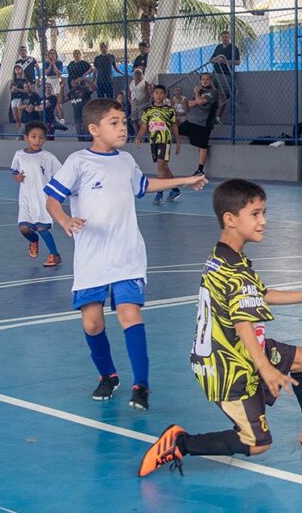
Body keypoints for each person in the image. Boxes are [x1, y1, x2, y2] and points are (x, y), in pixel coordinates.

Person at [137, 179, 302, 477]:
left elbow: (260, 294)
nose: (263, 221)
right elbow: (243, 324)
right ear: (230, 219)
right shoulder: (234, 270)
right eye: (255, 214)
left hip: (237, 350)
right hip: (225, 366)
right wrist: (266, 368)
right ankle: (180, 443)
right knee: (256, 443)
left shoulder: (225, 256)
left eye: (263, 212)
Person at [43, 98, 207, 410]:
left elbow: (144, 185)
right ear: (94, 129)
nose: (122, 127)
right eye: (114, 123)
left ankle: (141, 385)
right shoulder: (78, 162)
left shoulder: (126, 161)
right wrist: (64, 219)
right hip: (91, 257)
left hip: (127, 253)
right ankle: (108, 375)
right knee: (92, 323)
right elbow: (52, 198)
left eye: (123, 121)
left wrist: (186, 179)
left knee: (129, 314)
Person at [12, 121, 63, 266]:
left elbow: (61, 174)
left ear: (45, 139)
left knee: (42, 227)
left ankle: (54, 255)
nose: (37, 140)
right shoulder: (19, 155)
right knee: (24, 228)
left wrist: (56, 194)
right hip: (26, 198)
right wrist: (17, 177)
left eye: (41, 137)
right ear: (26, 138)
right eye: (33, 137)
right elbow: (14, 170)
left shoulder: (48, 157)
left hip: (42, 198)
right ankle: (33, 240)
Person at [135, 84, 183, 205]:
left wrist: (178, 141)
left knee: (161, 165)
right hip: (153, 141)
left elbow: (174, 126)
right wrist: (138, 137)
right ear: (153, 94)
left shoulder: (169, 110)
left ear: (165, 95)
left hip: (165, 140)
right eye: (156, 93)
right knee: (164, 167)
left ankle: (159, 193)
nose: (158, 95)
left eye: (161, 93)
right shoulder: (148, 111)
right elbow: (144, 126)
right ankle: (175, 189)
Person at [183, 73, 219, 175]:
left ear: (210, 80)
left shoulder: (213, 92)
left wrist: (197, 95)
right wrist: (197, 98)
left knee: (203, 145)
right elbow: (190, 103)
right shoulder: (199, 90)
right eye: (203, 79)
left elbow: (200, 101)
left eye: (207, 79)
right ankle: (193, 138)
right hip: (191, 120)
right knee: (177, 130)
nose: (205, 81)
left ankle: (200, 169)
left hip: (204, 123)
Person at [210, 31, 241, 123]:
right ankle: (211, 116)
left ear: (230, 38)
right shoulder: (218, 47)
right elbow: (211, 59)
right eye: (223, 37)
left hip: (225, 74)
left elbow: (237, 62)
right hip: (215, 73)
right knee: (212, 94)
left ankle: (217, 117)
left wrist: (224, 61)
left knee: (223, 96)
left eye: (226, 37)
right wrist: (215, 60)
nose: (225, 39)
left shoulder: (234, 48)